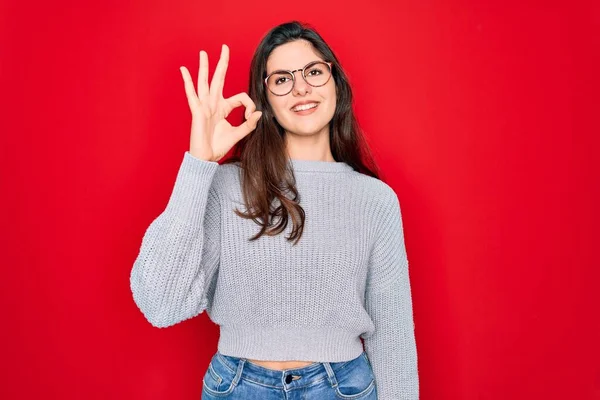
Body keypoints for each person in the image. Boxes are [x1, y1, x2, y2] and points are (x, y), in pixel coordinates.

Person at [130, 21, 419, 399]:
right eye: (282, 79)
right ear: (265, 100)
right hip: (237, 388)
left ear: (336, 84)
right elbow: (160, 303)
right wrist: (199, 163)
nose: (301, 88)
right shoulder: (226, 184)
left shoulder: (375, 200)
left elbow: (392, 333)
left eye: (314, 72)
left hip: (341, 388)